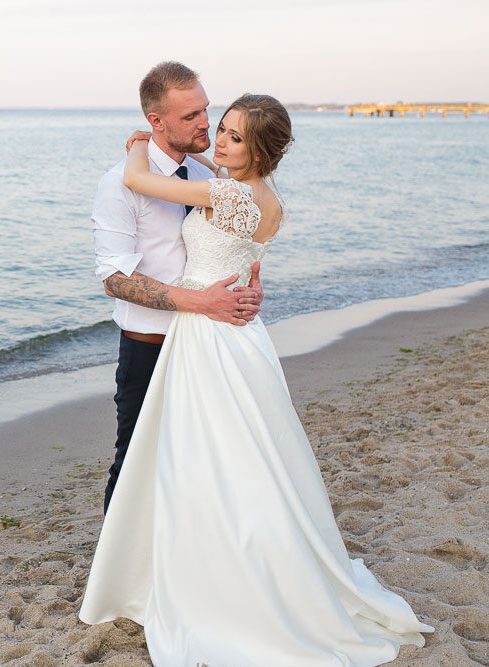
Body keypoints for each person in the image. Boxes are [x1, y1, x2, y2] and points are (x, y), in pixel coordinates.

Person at [79, 92, 434, 665]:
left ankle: (211, 571)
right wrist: (247, 284)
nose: (218, 140)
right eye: (219, 128)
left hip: (208, 338)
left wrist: (138, 141)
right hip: (243, 338)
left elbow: (138, 181)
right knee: (246, 457)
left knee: (203, 459)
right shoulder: (268, 202)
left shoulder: (222, 192)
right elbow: (246, 261)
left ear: (260, 149)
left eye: (234, 136)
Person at [93, 61, 264, 514]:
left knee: (206, 464)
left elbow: (228, 251)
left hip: (210, 347)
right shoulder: (120, 184)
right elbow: (114, 278)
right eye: (191, 116)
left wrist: (248, 288)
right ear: (156, 122)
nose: (206, 122)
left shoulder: (212, 177)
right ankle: (117, 578)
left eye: (206, 110)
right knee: (134, 465)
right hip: (150, 348)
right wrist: (202, 303)